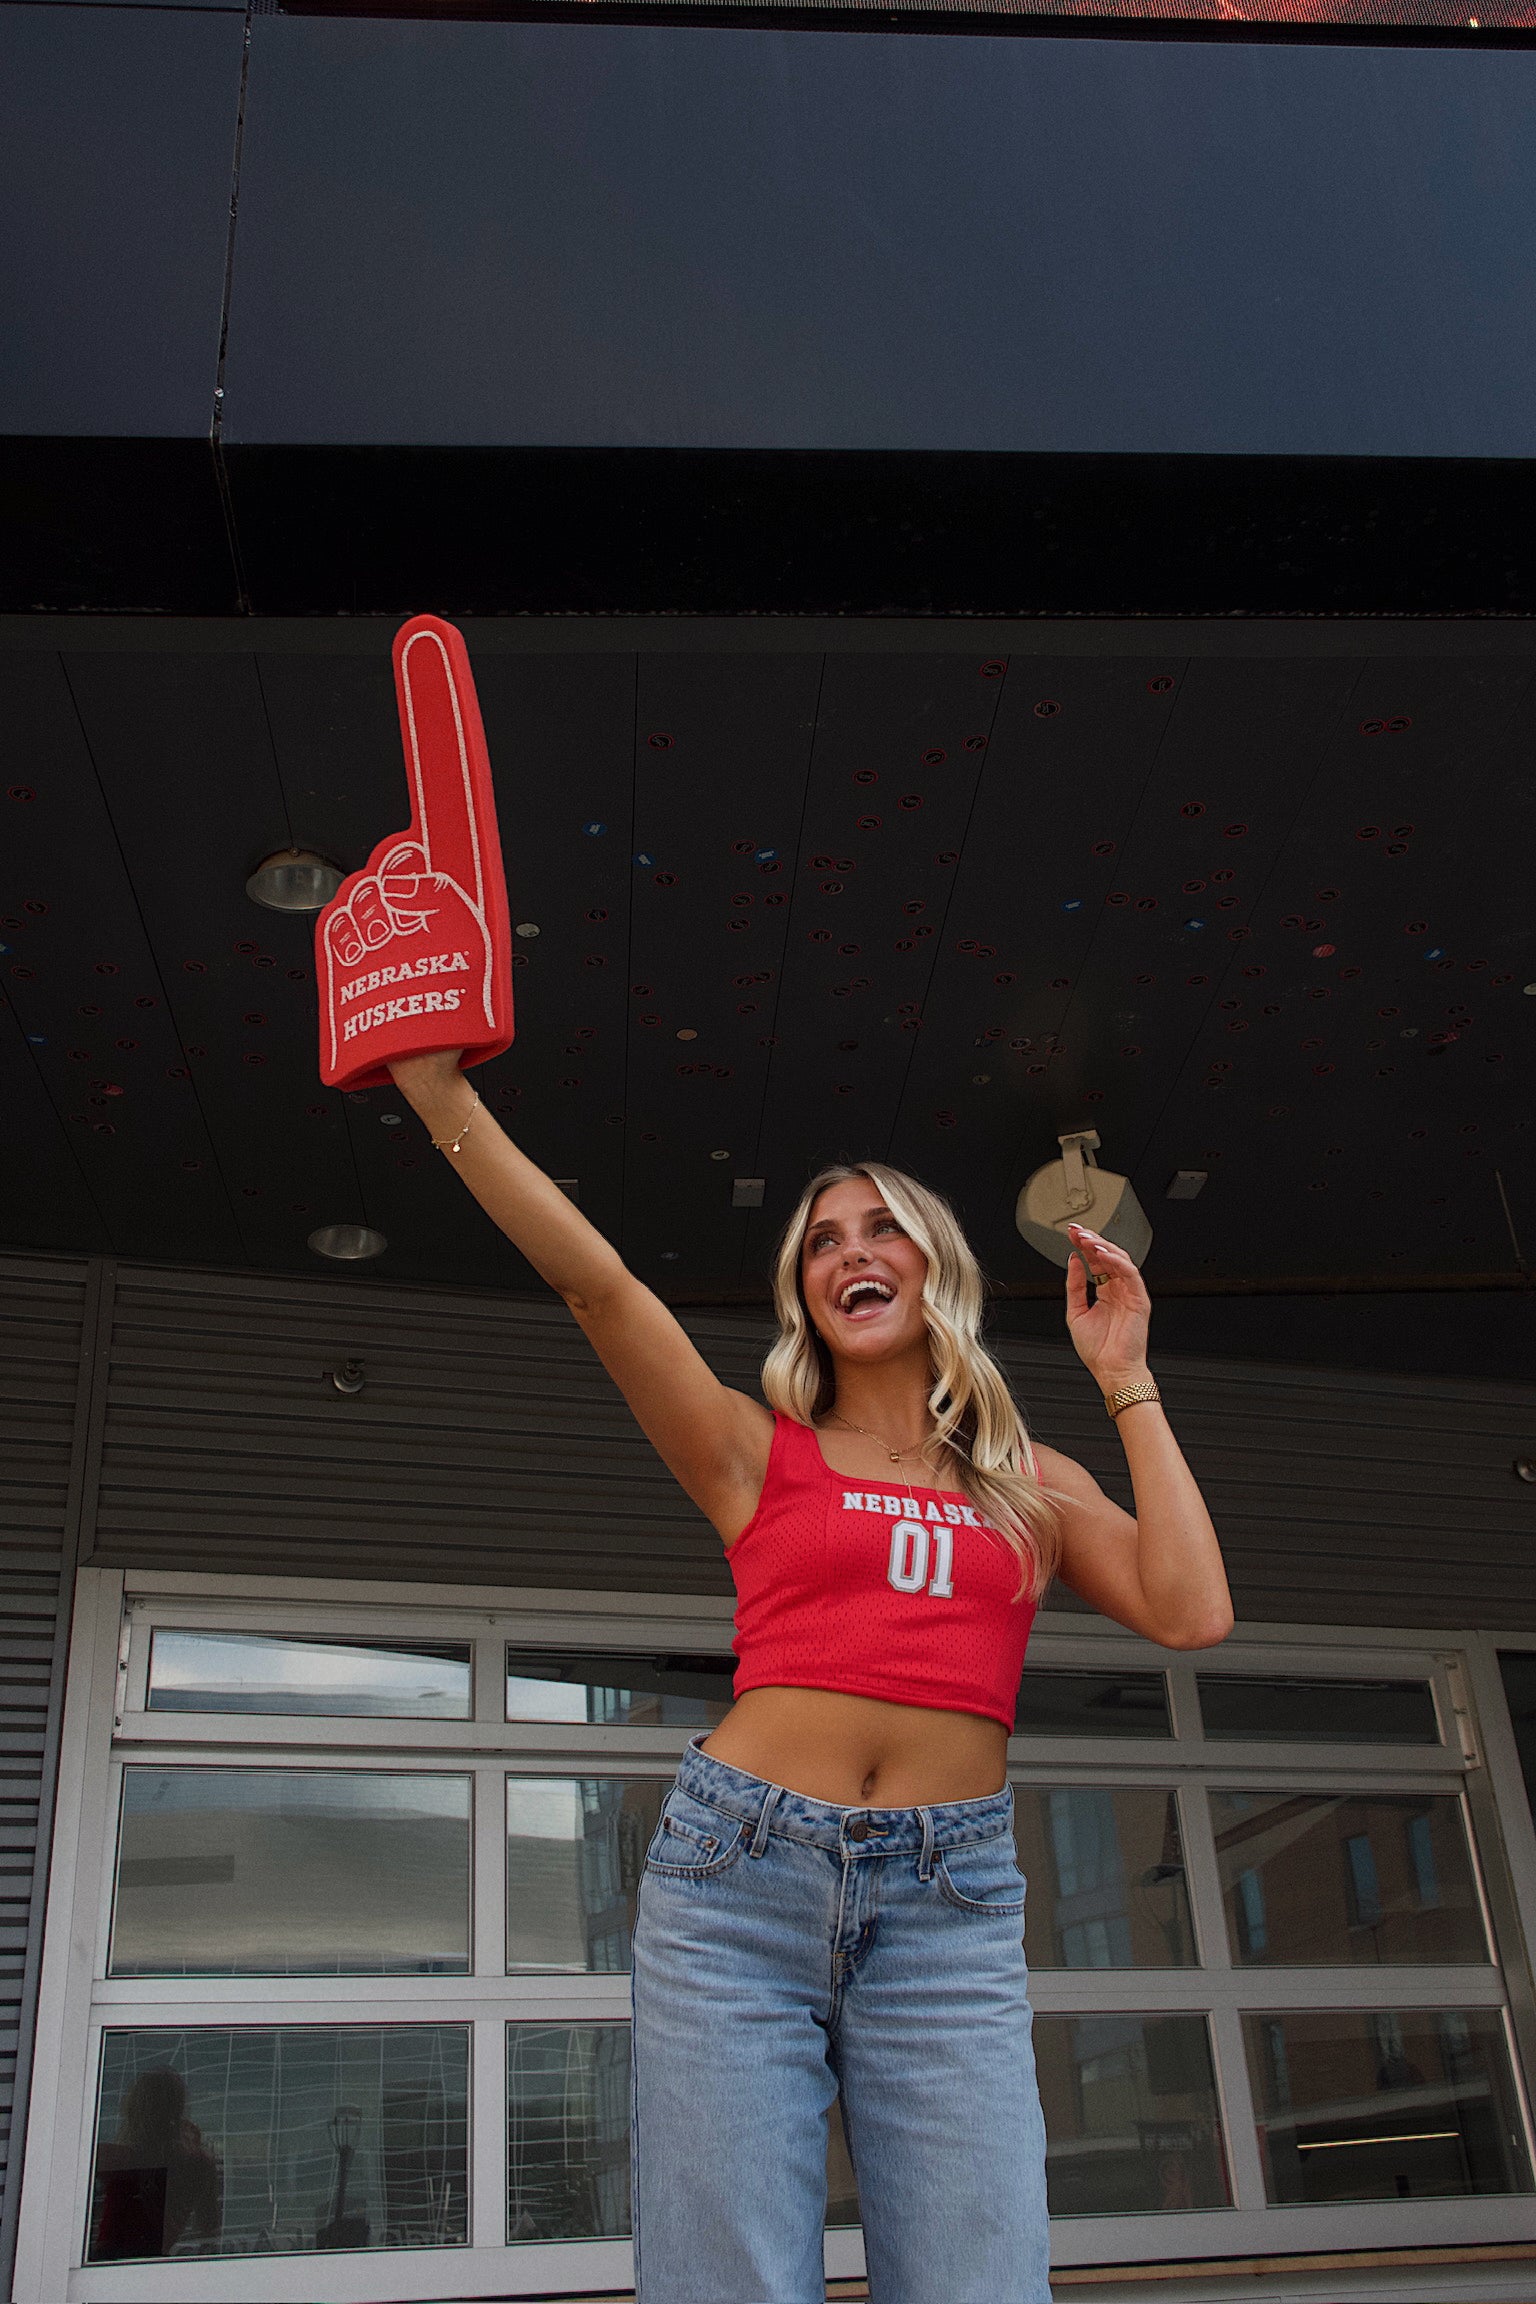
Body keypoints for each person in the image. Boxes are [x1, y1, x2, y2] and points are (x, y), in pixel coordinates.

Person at [389, 1051, 1233, 2303]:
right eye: (823, 1240)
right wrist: (442, 1100)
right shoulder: (753, 1452)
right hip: (739, 1885)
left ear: (935, 1268)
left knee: (983, 2281)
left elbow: (1192, 1608)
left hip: (949, 1906)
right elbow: (598, 1287)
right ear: (804, 1291)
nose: (852, 1251)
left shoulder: (1029, 1484)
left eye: (883, 1227)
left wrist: (1125, 1376)